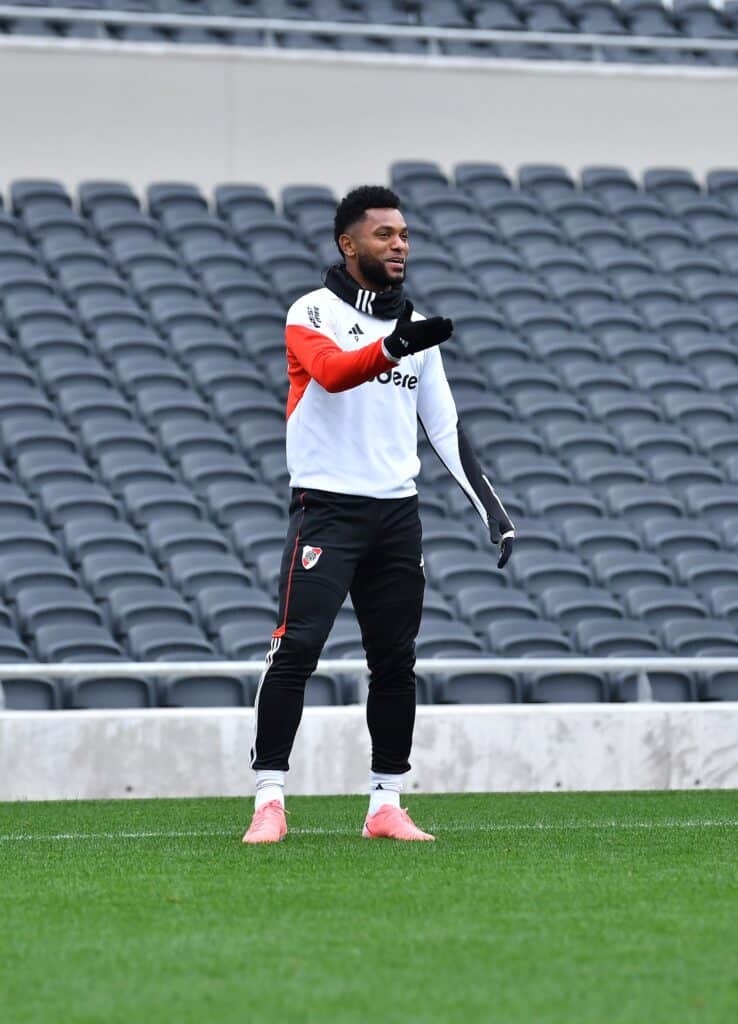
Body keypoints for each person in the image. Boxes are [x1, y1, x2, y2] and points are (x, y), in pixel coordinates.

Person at [242, 185, 515, 844]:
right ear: (349, 243)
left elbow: (445, 427)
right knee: (296, 649)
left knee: (395, 661)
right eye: (385, 234)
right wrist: (395, 347)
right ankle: (269, 800)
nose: (400, 244)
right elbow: (334, 373)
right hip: (326, 510)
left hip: (397, 515)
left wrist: (493, 511)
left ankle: (385, 804)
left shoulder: (414, 326)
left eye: (404, 235)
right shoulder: (310, 311)